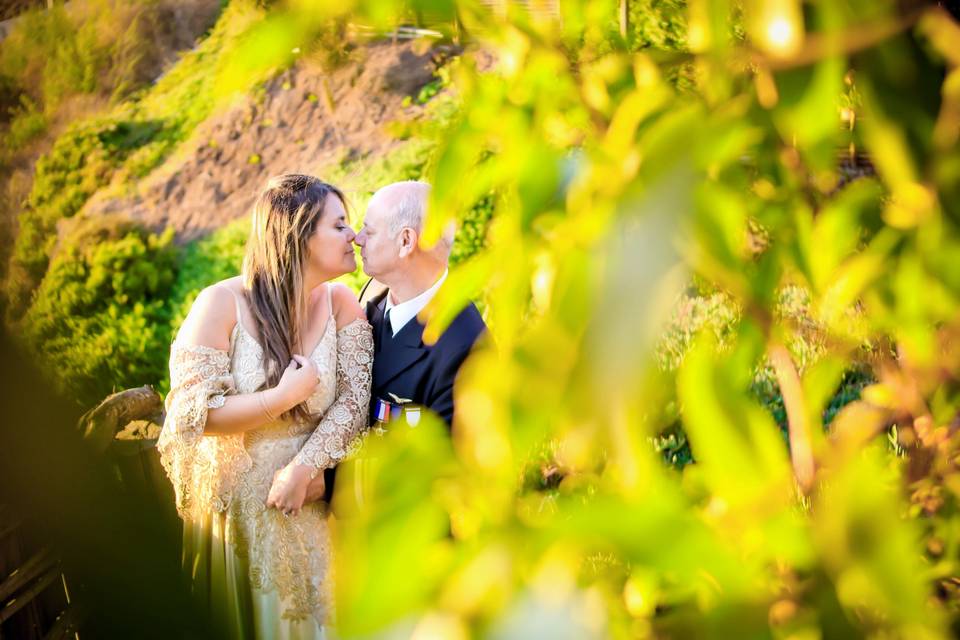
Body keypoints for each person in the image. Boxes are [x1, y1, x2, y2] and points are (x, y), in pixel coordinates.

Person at [157, 174, 373, 638]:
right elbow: (193, 415)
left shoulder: (342, 305)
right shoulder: (221, 303)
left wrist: (303, 469)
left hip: (311, 505)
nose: (353, 236)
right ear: (299, 234)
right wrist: (283, 397)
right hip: (242, 521)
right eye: (339, 225)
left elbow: (355, 403)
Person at [354, 180, 484, 427]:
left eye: (369, 232)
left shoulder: (467, 349)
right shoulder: (373, 292)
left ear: (405, 241)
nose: (358, 239)